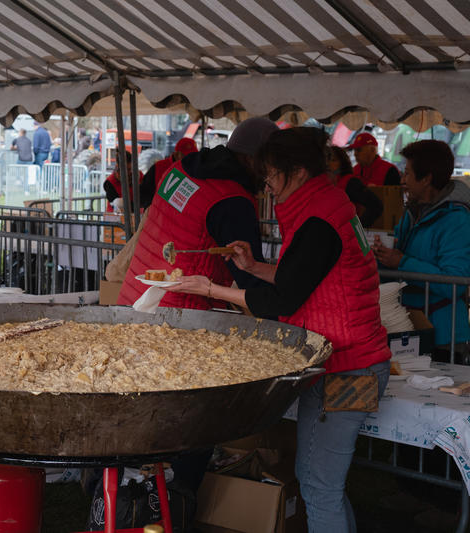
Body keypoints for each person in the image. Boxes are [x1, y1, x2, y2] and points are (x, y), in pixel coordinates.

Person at [167, 127, 391, 532]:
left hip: (348, 365)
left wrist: (212, 288)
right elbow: (300, 277)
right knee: (325, 485)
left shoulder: (319, 219)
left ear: (298, 171)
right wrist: (252, 268)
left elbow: (282, 300)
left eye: (271, 175)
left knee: (320, 486)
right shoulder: (324, 206)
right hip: (347, 358)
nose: (266, 185)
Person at [117, 117, 279, 308]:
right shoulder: (233, 201)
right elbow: (252, 280)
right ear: (250, 159)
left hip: (136, 295)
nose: (271, 174)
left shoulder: (178, 169)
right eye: (271, 165)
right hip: (178, 313)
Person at [373, 140, 470, 364]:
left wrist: (402, 262)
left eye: (407, 173)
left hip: (443, 336)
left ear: (426, 179)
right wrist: (380, 255)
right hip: (410, 328)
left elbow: (455, 282)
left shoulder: (457, 220)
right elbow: (398, 259)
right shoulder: (412, 213)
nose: (403, 180)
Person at [327, 145, 383, 228]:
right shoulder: (325, 184)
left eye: (333, 160)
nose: (328, 164)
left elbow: (375, 205)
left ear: (342, 163)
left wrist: (357, 228)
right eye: (326, 160)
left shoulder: (350, 182)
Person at [138, 137, 198, 208]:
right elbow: (144, 194)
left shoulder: (195, 170)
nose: (191, 159)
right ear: (176, 154)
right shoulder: (159, 167)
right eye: (186, 156)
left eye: (194, 156)